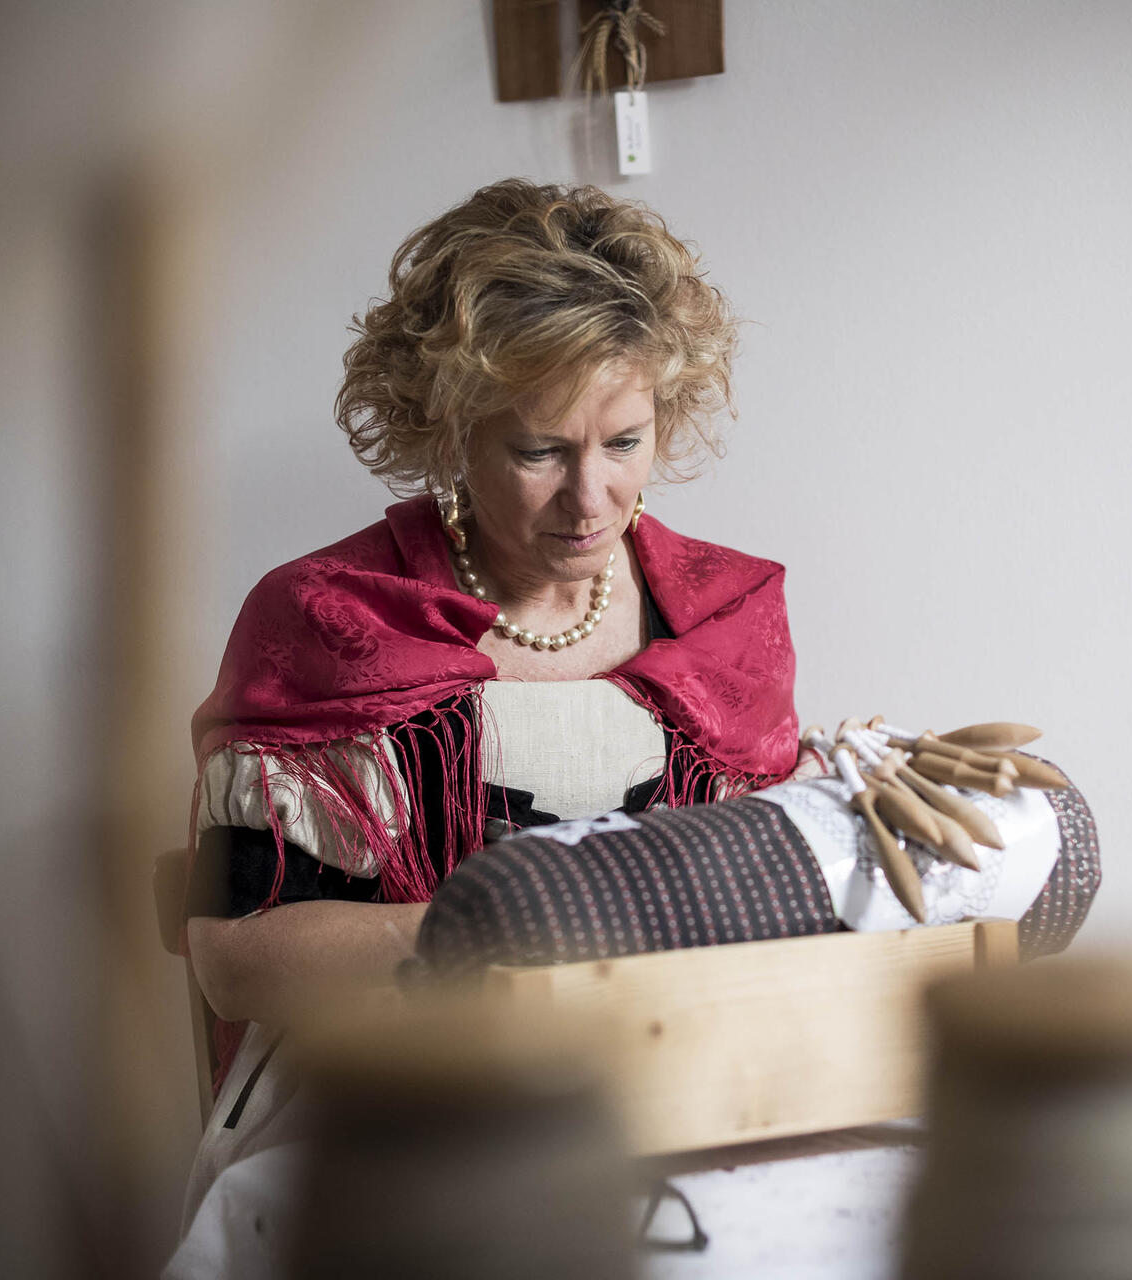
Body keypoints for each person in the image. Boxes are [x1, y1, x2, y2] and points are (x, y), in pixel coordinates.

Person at [175, 179, 804, 1234]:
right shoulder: (328, 618)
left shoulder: (727, 616)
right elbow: (236, 962)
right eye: (540, 450)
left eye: (625, 441)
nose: (591, 497)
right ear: (451, 427)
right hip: (400, 1108)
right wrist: (503, 929)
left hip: (689, 1091)